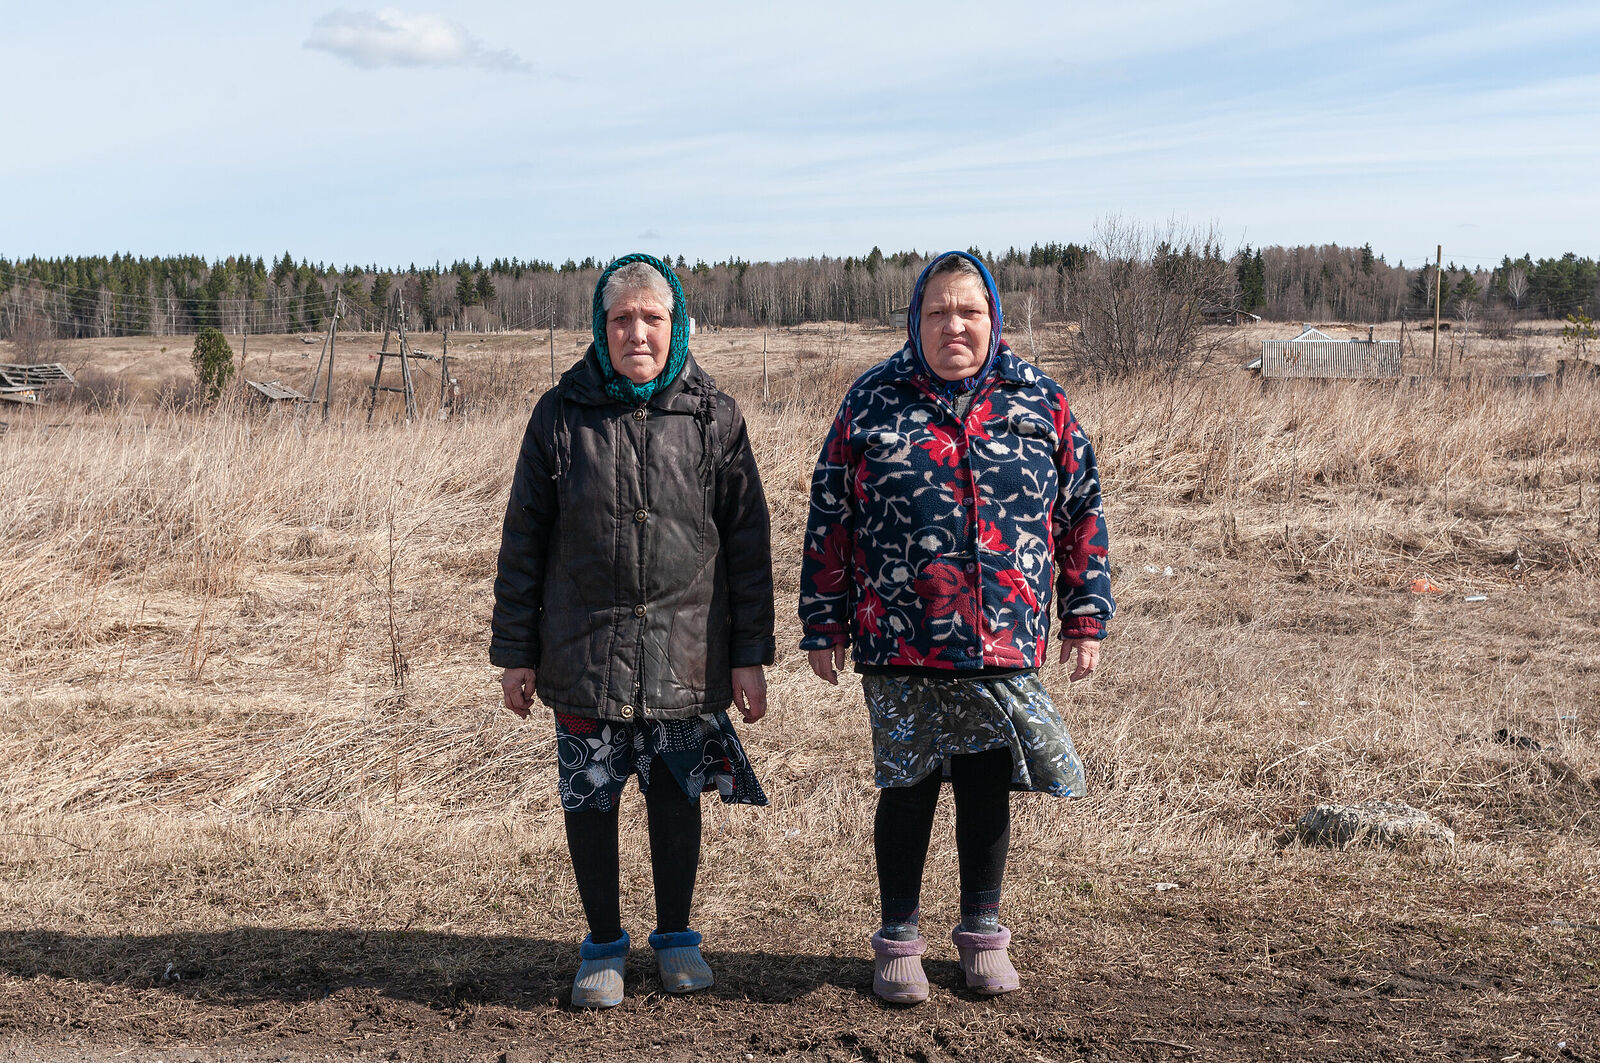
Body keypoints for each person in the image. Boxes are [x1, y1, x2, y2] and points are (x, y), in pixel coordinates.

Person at [798, 251, 1113, 1004]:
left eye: (968, 311)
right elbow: (831, 513)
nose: (954, 326)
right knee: (906, 787)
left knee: (984, 786)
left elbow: (1081, 511)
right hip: (898, 634)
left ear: (992, 317)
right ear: (916, 320)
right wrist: (823, 619)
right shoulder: (871, 400)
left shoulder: (1039, 399)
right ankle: (898, 940)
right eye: (938, 312)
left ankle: (982, 935)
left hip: (1001, 632)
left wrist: (1085, 613)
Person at [492, 253, 775, 1009]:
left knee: (677, 798)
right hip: (583, 653)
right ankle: (603, 945)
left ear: (677, 325)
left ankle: (677, 936)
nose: (637, 332)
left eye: (653, 317)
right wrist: (516, 652)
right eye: (622, 319)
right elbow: (524, 540)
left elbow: (748, 548)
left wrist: (749, 655)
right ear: (601, 327)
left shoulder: (715, 417)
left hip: (686, 654)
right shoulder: (560, 416)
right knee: (590, 800)